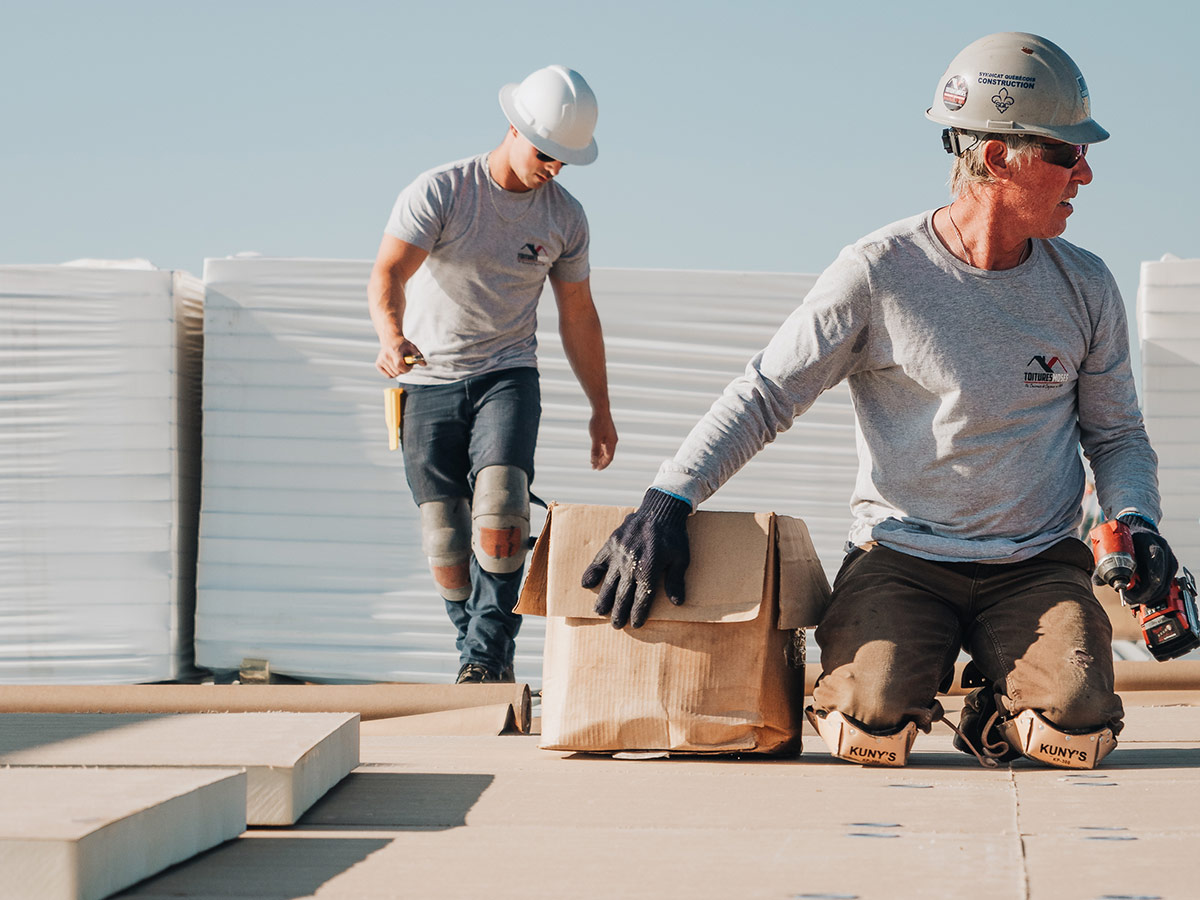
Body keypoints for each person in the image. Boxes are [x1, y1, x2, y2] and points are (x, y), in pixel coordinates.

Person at [582, 33, 1179, 768]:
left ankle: (999, 705)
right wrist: (669, 497)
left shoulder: (1085, 286)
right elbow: (768, 392)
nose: (1085, 173)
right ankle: (907, 679)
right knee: (867, 730)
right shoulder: (877, 274)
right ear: (996, 159)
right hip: (902, 555)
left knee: (1074, 730)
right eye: (1065, 153)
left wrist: (1135, 518)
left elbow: (1116, 435)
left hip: (1035, 562)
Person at [369, 65, 618, 685]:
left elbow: (579, 315)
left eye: (565, 161)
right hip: (425, 379)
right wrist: (391, 338)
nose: (552, 169)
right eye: (544, 154)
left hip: (508, 374)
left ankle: (485, 653)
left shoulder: (565, 218)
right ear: (513, 128)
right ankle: (478, 654)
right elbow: (388, 275)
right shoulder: (442, 191)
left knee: (504, 510)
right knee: (446, 540)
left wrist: (601, 407)